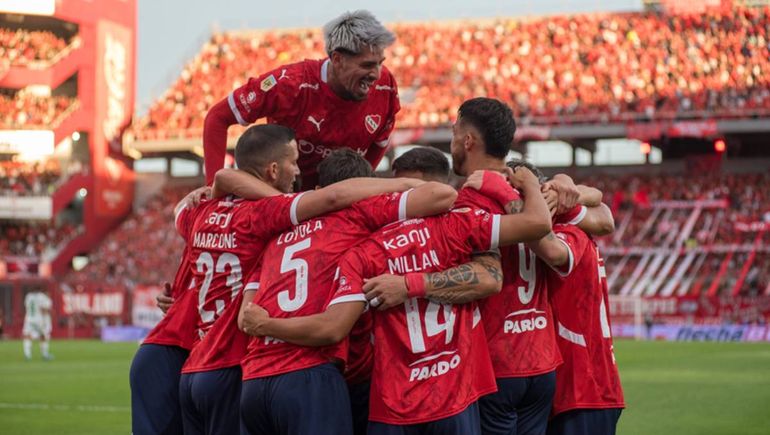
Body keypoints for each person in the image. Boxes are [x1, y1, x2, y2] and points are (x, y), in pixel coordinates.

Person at [130, 124, 420, 435]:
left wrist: (209, 192)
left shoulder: (202, 212)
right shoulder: (264, 216)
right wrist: (404, 185)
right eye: (293, 162)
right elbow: (332, 198)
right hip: (236, 363)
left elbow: (189, 203)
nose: (298, 171)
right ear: (272, 169)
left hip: (193, 367)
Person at [240, 165, 552, 435]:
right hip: (454, 394)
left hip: (390, 400)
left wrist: (406, 285)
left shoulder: (363, 252)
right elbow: (515, 250)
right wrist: (527, 184)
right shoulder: (455, 224)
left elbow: (227, 179)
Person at [233, 148, 457, 435]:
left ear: (317, 190)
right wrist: (398, 185)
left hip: (253, 382)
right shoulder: (358, 215)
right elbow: (442, 195)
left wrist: (265, 325)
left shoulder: (277, 233)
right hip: (311, 374)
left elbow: (246, 318)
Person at [203, 10, 400, 189]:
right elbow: (217, 117)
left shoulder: (386, 86)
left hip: (337, 199)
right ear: (337, 59)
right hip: (282, 199)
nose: (376, 74)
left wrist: (357, 185)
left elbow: (379, 145)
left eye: (380, 64)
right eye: (367, 65)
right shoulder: (289, 84)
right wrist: (213, 187)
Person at [525, 222, 625, 435]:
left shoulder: (570, 234)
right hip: (579, 389)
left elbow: (553, 251)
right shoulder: (579, 227)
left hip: (584, 389)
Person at [22, 287, 53, 361]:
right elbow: (44, 309)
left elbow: (26, 306)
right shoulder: (42, 296)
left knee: (27, 336)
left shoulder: (28, 296)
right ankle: (45, 354)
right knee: (43, 336)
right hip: (38, 319)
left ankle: (27, 355)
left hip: (29, 318)